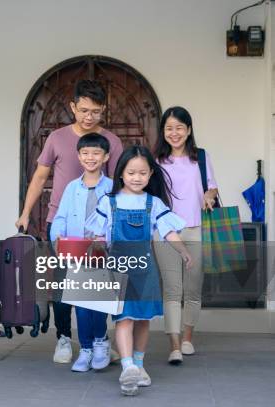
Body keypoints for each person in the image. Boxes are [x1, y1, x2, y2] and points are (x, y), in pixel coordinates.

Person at [15, 79, 123, 363]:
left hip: (98, 228)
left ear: (104, 110)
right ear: (73, 106)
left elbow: (119, 186)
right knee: (63, 284)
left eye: (96, 111)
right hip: (61, 223)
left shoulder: (112, 141)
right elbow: (40, 177)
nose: (90, 117)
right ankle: (64, 338)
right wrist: (26, 213)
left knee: (96, 285)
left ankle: (98, 340)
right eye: (84, 110)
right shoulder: (57, 138)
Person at [85, 146, 192, 396]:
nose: (137, 177)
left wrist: (183, 251)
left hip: (145, 271)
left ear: (150, 174)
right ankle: (127, 366)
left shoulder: (152, 203)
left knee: (143, 319)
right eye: (131, 172)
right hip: (118, 270)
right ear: (121, 173)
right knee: (124, 318)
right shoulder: (108, 202)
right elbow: (98, 234)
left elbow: (168, 231)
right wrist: (97, 246)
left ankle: (140, 365)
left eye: (142, 173)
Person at [152, 106, 218, 364]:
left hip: (194, 229)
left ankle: (188, 338)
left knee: (192, 289)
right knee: (171, 290)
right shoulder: (156, 160)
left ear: (189, 130)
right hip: (165, 232)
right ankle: (174, 344)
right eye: (169, 128)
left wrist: (209, 196)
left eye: (180, 127)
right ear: (163, 131)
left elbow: (212, 188)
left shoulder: (200, 157)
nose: (174, 133)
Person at [50, 133, 113, 372]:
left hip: (101, 254)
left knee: (98, 303)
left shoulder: (112, 187)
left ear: (106, 156)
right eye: (85, 153)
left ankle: (101, 342)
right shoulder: (71, 188)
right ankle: (85, 348)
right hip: (76, 254)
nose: (90, 157)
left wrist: (105, 238)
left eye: (96, 153)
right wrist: (57, 236)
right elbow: (61, 217)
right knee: (82, 304)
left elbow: (115, 219)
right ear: (78, 156)